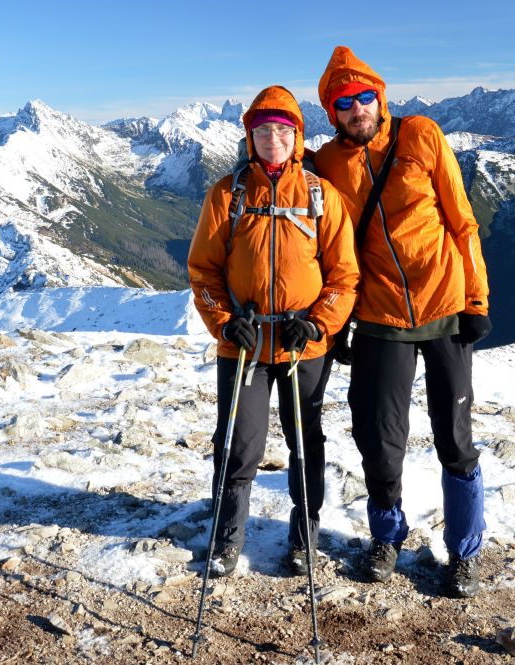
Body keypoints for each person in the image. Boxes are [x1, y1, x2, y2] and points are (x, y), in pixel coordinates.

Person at [314, 47, 491, 598]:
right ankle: (387, 538)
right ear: (332, 112)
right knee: (379, 440)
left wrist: (477, 300)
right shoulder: (325, 162)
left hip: (444, 307)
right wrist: (336, 320)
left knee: (455, 440)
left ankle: (464, 553)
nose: (357, 108)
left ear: (379, 97)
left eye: (365, 96)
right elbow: (321, 243)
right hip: (377, 317)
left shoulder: (421, 134)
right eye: (344, 102)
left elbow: (461, 220)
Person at [187, 85, 359, 577]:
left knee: (305, 441)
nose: (273, 140)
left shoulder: (320, 196)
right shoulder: (228, 193)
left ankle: (305, 537)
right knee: (239, 444)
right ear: (250, 137)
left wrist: (318, 322)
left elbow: (344, 276)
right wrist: (225, 321)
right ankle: (225, 541)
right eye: (263, 131)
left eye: (283, 131)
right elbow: (204, 271)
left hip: (304, 343)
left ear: (298, 137)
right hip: (242, 342)